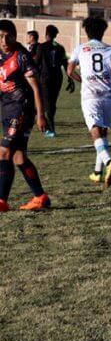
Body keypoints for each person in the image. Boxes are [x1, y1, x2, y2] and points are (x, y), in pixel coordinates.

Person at [67, 17, 111, 188]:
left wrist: (83, 81)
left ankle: (108, 162)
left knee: (95, 131)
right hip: (108, 95)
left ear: (86, 32)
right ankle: (97, 172)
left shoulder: (80, 49)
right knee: (103, 132)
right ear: (103, 32)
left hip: (90, 94)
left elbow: (70, 71)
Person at [0, 20, 51, 211]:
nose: (4, 40)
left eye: (8, 36)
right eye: (0, 36)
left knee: (3, 152)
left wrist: (41, 115)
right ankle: (40, 197)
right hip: (7, 110)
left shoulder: (21, 56)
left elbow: (36, 88)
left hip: (22, 110)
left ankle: (2, 201)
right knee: (18, 157)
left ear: (14, 36)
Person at [34, 24, 75, 138]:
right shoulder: (60, 47)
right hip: (57, 78)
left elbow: (36, 63)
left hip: (45, 78)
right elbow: (66, 64)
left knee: (48, 104)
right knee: (51, 103)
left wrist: (34, 77)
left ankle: (50, 129)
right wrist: (70, 79)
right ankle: (49, 127)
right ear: (56, 35)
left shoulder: (41, 47)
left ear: (46, 34)